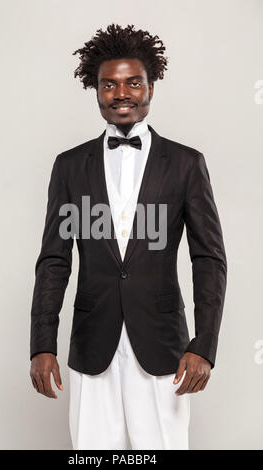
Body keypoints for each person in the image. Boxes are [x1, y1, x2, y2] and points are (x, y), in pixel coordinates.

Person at [29, 23, 227, 450]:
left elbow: (208, 259)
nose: (121, 93)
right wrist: (41, 344)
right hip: (91, 345)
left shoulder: (186, 164)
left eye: (133, 82)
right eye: (109, 84)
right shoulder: (69, 166)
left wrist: (205, 345)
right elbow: (55, 260)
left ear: (150, 88)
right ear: (95, 91)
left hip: (163, 347)